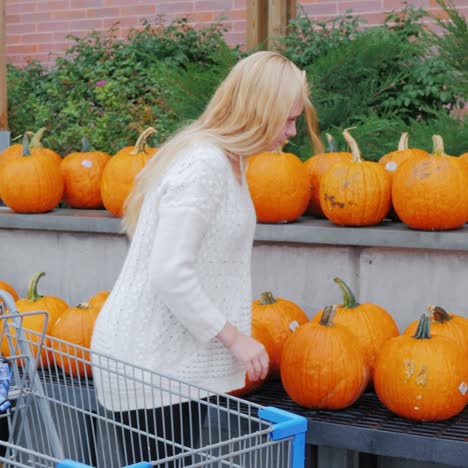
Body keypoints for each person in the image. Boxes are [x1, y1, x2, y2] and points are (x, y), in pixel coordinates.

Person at [90, 50, 323, 466]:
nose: (292, 132)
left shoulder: (230, 163)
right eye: (287, 120)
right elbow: (169, 273)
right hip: (150, 361)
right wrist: (236, 338)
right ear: (258, 113)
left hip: (173, 362)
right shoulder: (204, 165)